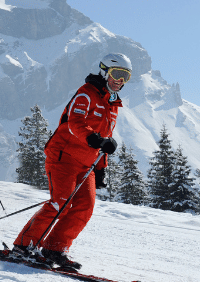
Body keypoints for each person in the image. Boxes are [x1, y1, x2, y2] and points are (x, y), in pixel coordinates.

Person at [10, 53, 132, 271]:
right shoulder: (86, 94)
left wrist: (101, 168)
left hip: (87, 164)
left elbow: (104, 138)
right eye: (117, 74)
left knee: (85, 206)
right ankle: (23, 246)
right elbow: (75, 122)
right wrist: (94, 139)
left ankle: (55, 248)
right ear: (105, 72)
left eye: (126, 77)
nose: (120, 81)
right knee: (60, 203)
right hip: (63, 156)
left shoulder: (113, 105)